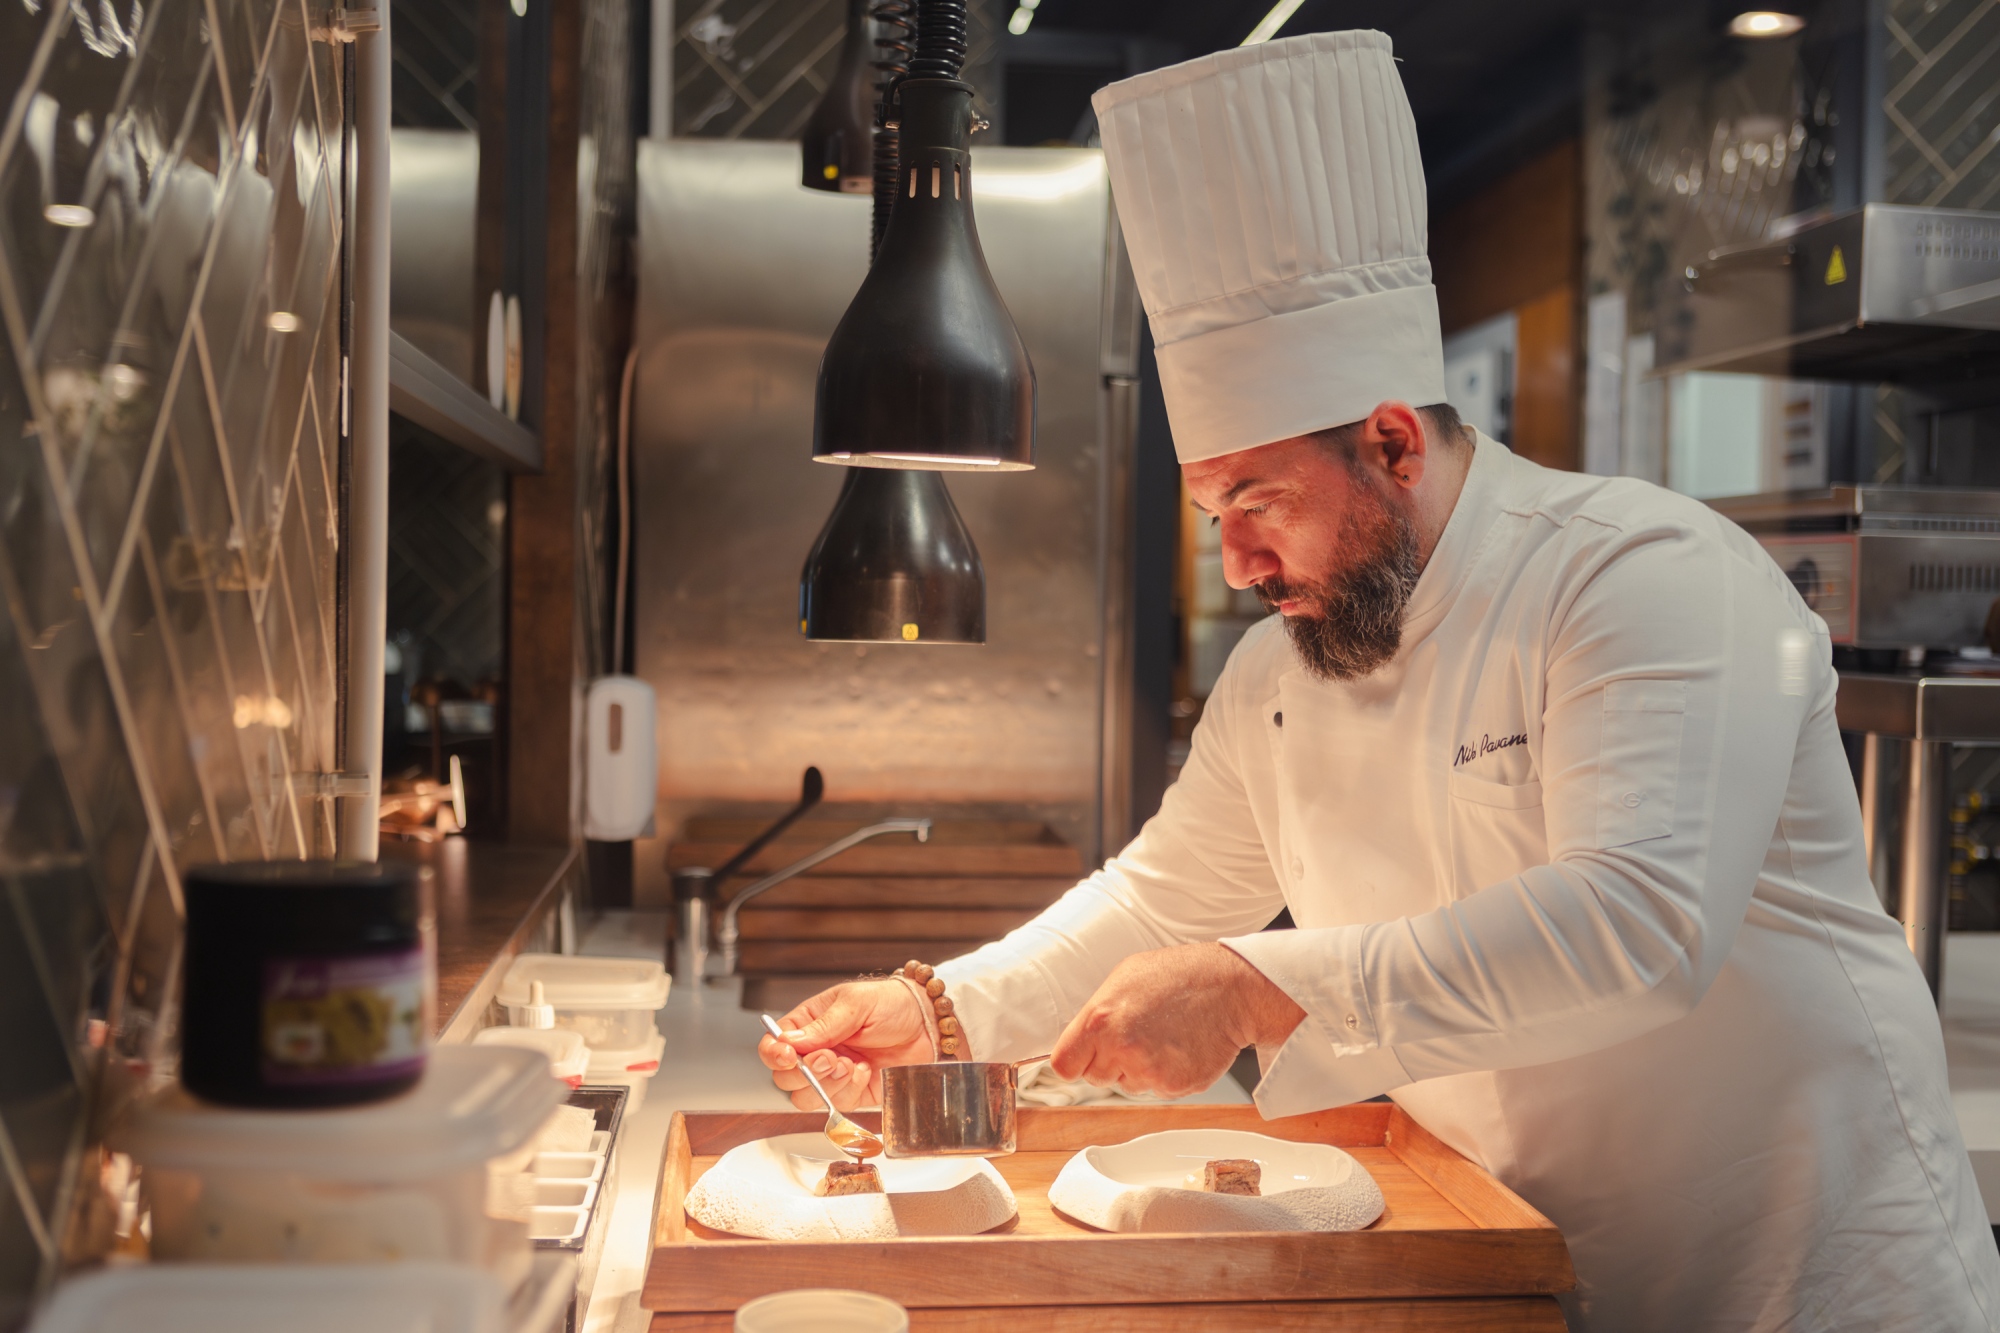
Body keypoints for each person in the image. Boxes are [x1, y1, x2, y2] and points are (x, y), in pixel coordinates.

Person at [757, 30, 2000, 1331]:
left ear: (1393, 443)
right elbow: (1162, 899)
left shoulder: (1645, 575)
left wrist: (1254, 982)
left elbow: (1638, 926)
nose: (1235, 558)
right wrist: (937, 1007)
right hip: (1525, 1261)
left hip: (1813, 1275)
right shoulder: (1279, 670)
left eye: (1258, 499)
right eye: (1209, 510)